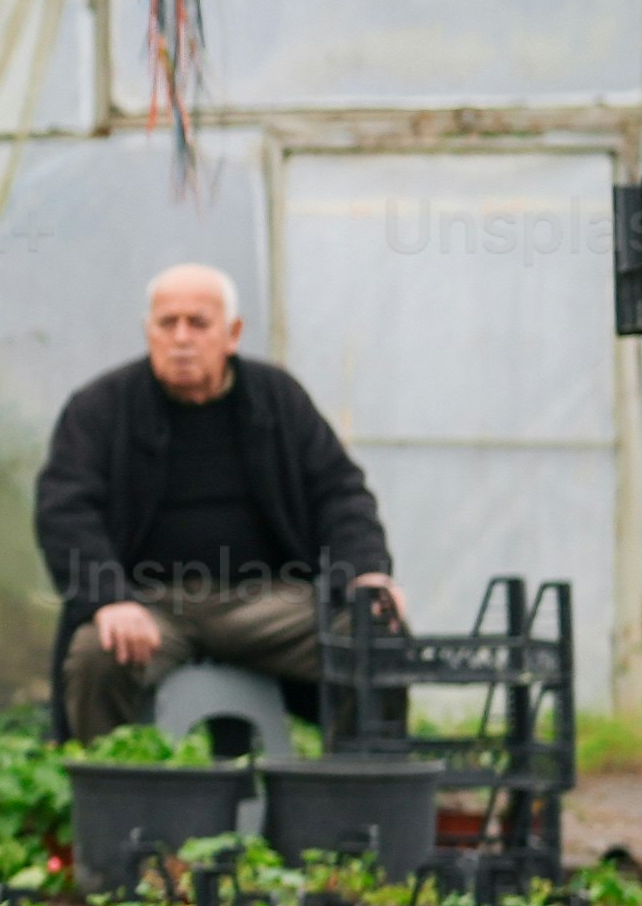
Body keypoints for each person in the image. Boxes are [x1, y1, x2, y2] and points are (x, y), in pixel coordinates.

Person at [38, 265, 403, 737]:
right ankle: (112, 799)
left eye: (198, 323)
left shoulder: (278, 399)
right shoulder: (101, 407)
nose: (181, 338)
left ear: (233, 334)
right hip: (149, 603)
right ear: (149, 331)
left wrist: (365, 573)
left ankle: (361, 795)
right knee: (98, 656)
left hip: (266, 602)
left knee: (372, 638)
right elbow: (65, 510)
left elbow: (338, 492)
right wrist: (110, 600)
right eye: (168, 324)